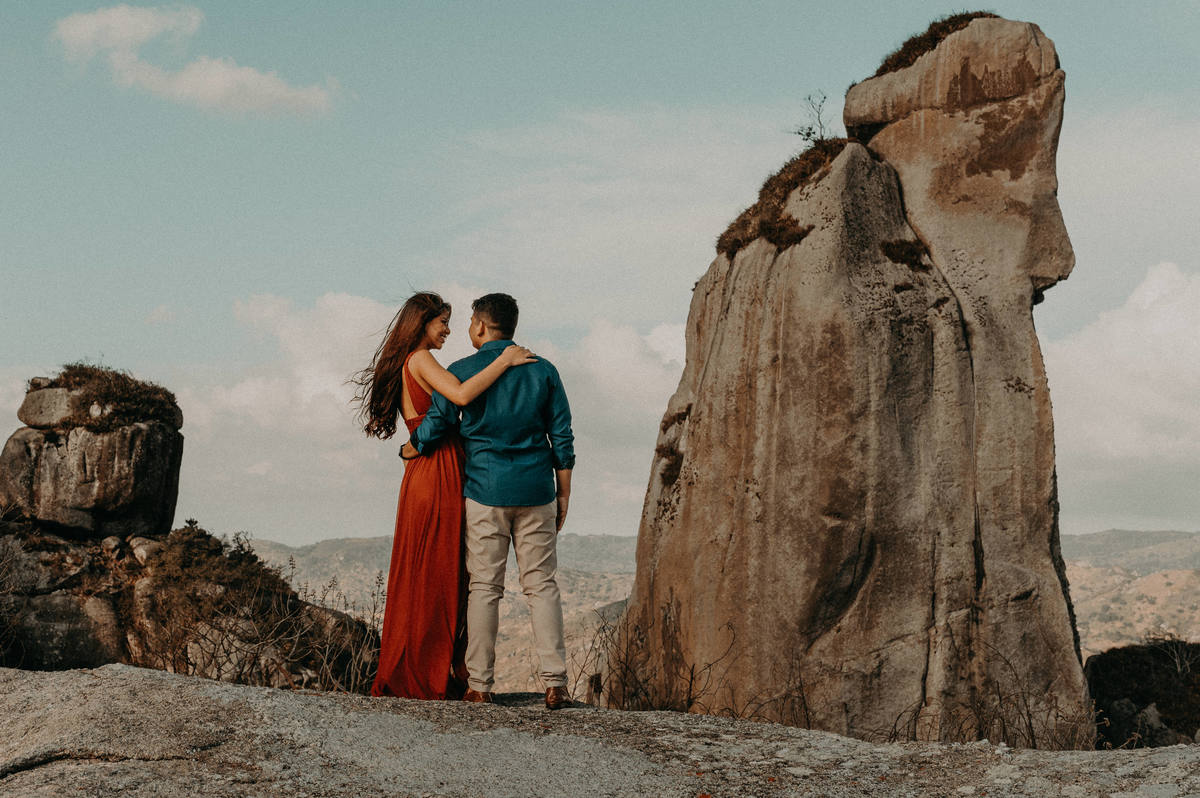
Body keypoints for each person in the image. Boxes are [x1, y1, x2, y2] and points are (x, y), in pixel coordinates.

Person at [353, 291, 535, 700]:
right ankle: (426, 671)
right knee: (439, 571)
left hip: (427, 468)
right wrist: (504, 360)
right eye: (442, 323)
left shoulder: (410, 362)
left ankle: (427, 666)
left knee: (431, 569)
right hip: (438, 470)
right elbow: (462, 395)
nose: (448, 331)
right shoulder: (420, 359)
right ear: (422, 324)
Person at [404, 292, 575, 710]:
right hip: (537, 490)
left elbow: (440, 420)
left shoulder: (462, 370)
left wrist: (412, 446)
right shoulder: (544, 370)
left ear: (480, 326)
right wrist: (564, 491)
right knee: (541, 585)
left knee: (484, 588)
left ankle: (479, 686)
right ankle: (555, 683)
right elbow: (562, 435)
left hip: (484, 491)